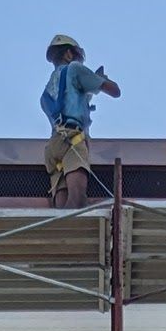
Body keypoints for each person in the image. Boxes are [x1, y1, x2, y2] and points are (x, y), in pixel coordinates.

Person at [40, 33, 120, 208]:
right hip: (72, 140)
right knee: (77, 201)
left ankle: (62, 233)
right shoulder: (75, 69)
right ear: (69, 54)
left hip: (54, 146)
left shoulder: (45, 94)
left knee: (61, 209)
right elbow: (115, 91)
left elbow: (69, 103)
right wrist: (101, 79)